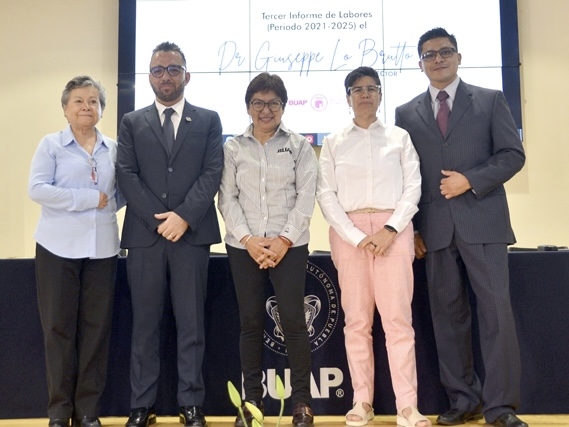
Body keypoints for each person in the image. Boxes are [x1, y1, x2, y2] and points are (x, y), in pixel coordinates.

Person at [394, 28, 527, 427]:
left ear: (458, 56)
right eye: (429, 54)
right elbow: (405, 177)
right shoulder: (405, 113)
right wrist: (412, 228)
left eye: (445, 51)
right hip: (434, 230)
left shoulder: (489, 100)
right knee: (447, 318)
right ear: (420, 63)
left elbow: (512, 155)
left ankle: (500, 407)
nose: (438, 59)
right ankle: (463, 398)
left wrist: (470, 179)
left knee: (495, 315)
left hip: (483, 222)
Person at [117, 41, 223, 427]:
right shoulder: (131, 122)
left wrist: (184, 217)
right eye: (159, 70)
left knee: (192, 324)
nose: (166, 76)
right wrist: (160, 220)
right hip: (145, 237)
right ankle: (141, 405)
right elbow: (126, 175)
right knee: (145, 325)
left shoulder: (209, 120)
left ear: (187, 75)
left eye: (173, 69)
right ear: (149, 77)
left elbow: (212, 173)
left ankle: (190, 404)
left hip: (191, 236)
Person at [317, 66, 429, 427]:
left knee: (398, 322)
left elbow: (413, 188)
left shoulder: (399, 137)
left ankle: (407, 407)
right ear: (347, 97)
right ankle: (361, 401)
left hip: (392, 232)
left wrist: (390, 229)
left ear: (380, 95)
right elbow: (325, 195)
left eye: (372, 88)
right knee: (356, 323)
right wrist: (356, 236)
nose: (365, 94)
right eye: (357, 89)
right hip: (349, 235)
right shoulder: (334, 141)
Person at [218, 72, 317, 427]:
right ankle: (252, 404)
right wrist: (248, 240)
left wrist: (283, 240)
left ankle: (302, 403)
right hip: (244, 247)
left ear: (283, 107)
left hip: (289, 246)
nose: (265, 110)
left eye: (273, 103)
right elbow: (226, 199)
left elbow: (306, 198)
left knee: (293, 323)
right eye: (258, 103)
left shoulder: (300, 145)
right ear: (248, 107)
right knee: (250, 323)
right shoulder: (233, 147)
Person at [28, 76, 124, 427]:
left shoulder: (113, 148)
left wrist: (106, 206)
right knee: (58, 330)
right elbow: (37, 189)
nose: (87, 107)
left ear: (101, 109)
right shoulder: (51, 145)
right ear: (66, 108)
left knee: (96, 330)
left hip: (102, 249)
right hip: (57, 247)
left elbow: (121, 192)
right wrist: (87, 200)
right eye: (79, 101)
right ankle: (58, 411)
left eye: (94, 101)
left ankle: (87, 411)